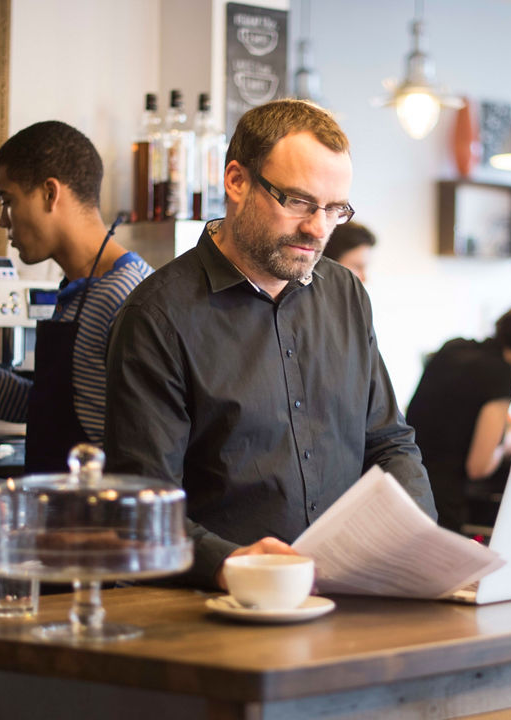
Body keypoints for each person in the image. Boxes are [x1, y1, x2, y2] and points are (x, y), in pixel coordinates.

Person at [103, 99, 436, 589]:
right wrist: (228, 562)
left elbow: (388, 443)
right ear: (236, 181)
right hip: (217, 613)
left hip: (350, 597)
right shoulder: (158, 316)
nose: (318, 228)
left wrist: (424, 543)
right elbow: (141, 506)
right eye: (298, 202)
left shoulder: (345, 294)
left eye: (334, 209)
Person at [0, 121, 152, 473]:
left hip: (98, 521)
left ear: (49, 193)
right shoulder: (77, 290)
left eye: (7, 200)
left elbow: (144, 447)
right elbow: (79, 412)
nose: (2, 221)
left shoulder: (125, 297)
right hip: (62, 514)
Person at [407, 295, 511, 533]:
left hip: (404, 486)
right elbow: (480, 466)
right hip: (440, 506)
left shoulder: (454, 347)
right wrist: (509, 444)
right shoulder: (501, 375)